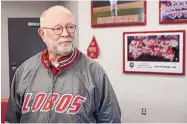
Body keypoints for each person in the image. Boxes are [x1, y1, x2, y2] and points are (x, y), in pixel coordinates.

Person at [5, 5, 121, 123]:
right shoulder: (24, 71)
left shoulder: (94, 72)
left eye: (70, 27)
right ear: (42, 34)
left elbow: (110, 120)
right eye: (58, 28)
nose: (66, 33)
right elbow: (12, 119)